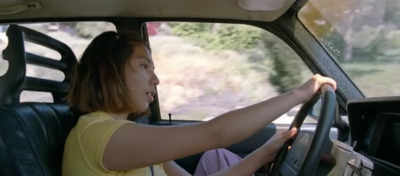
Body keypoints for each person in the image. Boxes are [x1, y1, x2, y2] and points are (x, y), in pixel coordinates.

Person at [62, 31, 337, 176]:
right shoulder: (96, 134)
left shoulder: (129, 137)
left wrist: (265, 153)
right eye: (144, 66)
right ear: (109, 71)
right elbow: (214, 133)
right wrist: (298, 95)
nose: (156, 79)